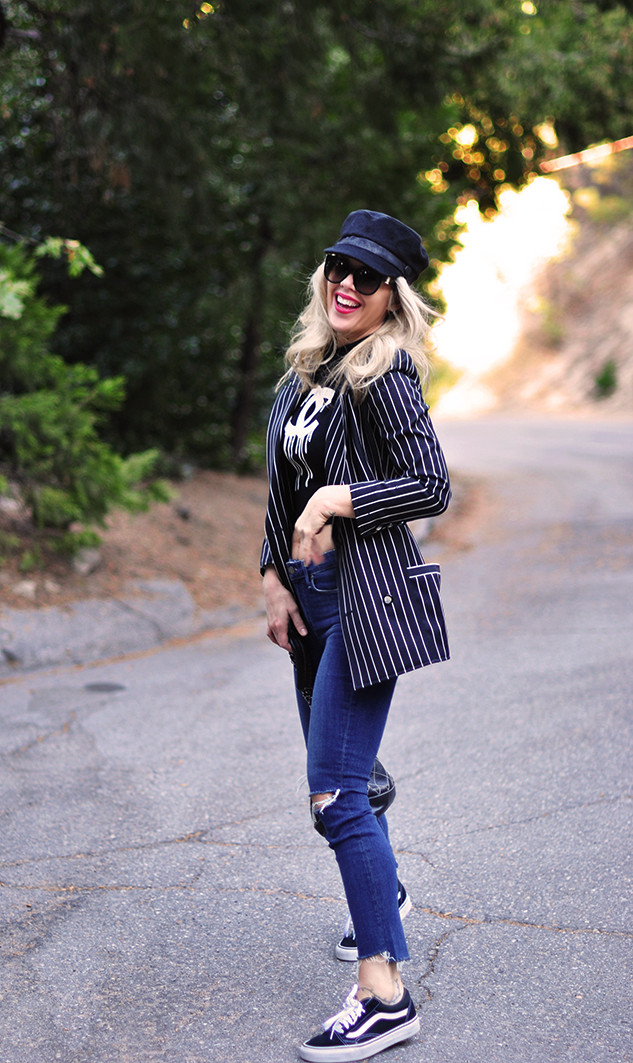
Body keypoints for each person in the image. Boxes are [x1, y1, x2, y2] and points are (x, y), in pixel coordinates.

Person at [261, 209, 451, 1061]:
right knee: (344, 785)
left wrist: (341, 499)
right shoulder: (306, 370)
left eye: (367, 278)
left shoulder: (384, 375)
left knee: (334, 792)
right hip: (306, 597)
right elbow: (280, 487)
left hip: (362, 597)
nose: (347, 283)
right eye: (340, 265)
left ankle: (384, 993)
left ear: (390, 299)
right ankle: (386, 889)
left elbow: (430, 483)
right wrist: (270, 571)